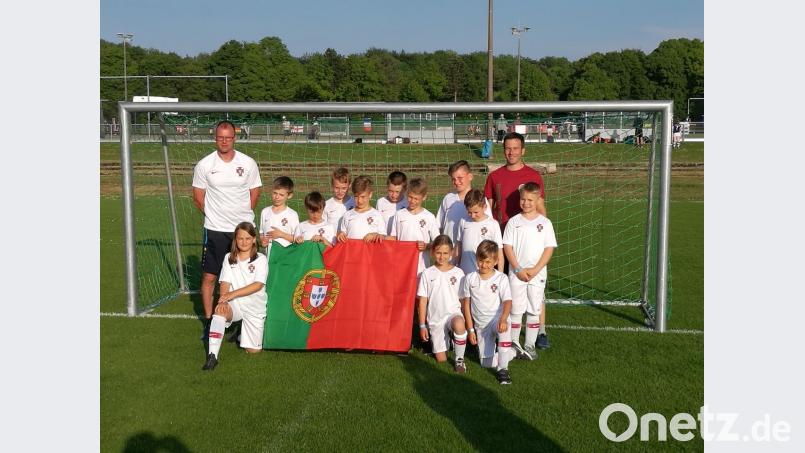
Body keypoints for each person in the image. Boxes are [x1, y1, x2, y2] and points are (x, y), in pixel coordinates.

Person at [192, 120, 262, 339]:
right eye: (220, 137)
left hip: (242, 232)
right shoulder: (204, 165)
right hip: (215, 229)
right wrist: (216, 217)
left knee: (245, 277)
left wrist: (242, 217)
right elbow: (198, 197)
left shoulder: (248, 163)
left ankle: (241, 320)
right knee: (210, 277)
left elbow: (255, 191)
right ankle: (209, 320)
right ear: (215, 138)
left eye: (228, 137)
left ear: (235, 138)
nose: (224, 141)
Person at [483, 131, 551, 350]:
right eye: (507, 148)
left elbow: (541, 209)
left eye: (515, 148)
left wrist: (542, 235)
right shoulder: (494, 176)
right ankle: (499, 330)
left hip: (526, 242)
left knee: (534, 287)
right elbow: (488, 206)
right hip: (502, 239)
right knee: (501, 286)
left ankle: (540, 331)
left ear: (523, 150)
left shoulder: (533, 175)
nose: (511, 152)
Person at [202, 222, 268, 371]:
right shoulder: (228, 258)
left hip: (254, 307)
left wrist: (232, 293)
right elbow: (224, 281)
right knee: (219, 311)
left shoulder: (261, 259)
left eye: (247, 238)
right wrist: (224, 299)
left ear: (253, 239)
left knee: (253, 351)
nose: (244, 242)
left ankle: (240, 333)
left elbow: (258, 285)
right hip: (235, 304)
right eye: (240, 238)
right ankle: (212, 356)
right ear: (235, 240)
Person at [503, 182, 557, 361]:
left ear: (538, 200)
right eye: (523, 199)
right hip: (517, 274)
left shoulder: (545, 223)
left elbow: (549, 248)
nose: (526, 203)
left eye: (530, 200)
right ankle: (514, 345)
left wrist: (535, 269)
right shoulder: (513, 222)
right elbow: (507, 247)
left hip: (537, 274)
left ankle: (530, 345)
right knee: (516, 309)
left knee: (534, 310)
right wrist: (517, 268)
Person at [460, 240, 515, 385]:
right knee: (486, 363)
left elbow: (508, 302)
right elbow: (466, 304)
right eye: (481, 261)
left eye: (488, 262)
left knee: (504, 331)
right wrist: (470, 329)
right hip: (480, 325)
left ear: (496, 261)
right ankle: (512, 351)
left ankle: (503, 370)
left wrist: (503, 319)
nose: (484, 265)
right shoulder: (470, 278)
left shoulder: (501, 278)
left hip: (497, 320)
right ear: (477, 258)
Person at [417, 235, 469, 373]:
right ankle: (453, 341)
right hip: (435, 319)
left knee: (458, 323)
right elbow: (422, 300)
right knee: (441, 359)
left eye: (445, 253)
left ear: (451, 253)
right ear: (433, 252)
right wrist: (422, 325)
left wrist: (468, 325)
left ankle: (459, 359)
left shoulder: (459, 273)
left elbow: (464, 300)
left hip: (453, 314)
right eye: (438, 253)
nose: (442, 256)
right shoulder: (427, 273)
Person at [387, 178, 440, 275]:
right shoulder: (399, 215)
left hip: (421, 268)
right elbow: (393, 238)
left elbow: (437, 242)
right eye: (410, 197)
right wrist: (379, 237)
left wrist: (426, 246)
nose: (412, 201)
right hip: (402, 266)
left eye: (416, 199)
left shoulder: (429, 217)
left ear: (424, 197)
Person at [436, 160, 492, 248]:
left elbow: (488, 227)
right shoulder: (448, 199)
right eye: (453, 179)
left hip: (471, 255)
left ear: (470, 176)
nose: (456, 182)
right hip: (449, 255)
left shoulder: (481, 200)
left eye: (460, 178)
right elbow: (438, 225)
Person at [456, 189, 504, 275]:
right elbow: (459, 246)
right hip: (465, 273)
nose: (473, 215)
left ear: (485, 207)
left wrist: (500, 276)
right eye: (469, 212)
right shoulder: (463, 221)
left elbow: (499, 253)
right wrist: (455, 266)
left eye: (476, 212)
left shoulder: (493, 224)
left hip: (485, 274)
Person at [336, 175, 386, 243]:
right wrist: (341, 235)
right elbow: (342, 234)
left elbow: (383, 237)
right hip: (353, 252)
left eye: (363, 197)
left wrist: (375, 235)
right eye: (356, 197)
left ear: (370, 194)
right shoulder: (347, 215)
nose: (359, 200)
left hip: (370, 252)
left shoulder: (377, 215)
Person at [259, 176, 299, 255]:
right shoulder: (265, 212)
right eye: (275, 193)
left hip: (285, 257)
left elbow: (297, 239)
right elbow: (261, 233)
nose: (277, 197)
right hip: (269, 257)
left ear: (289, 195)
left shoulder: (292, 215)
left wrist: (281, 234)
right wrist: (263, 241)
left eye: (281, 195)